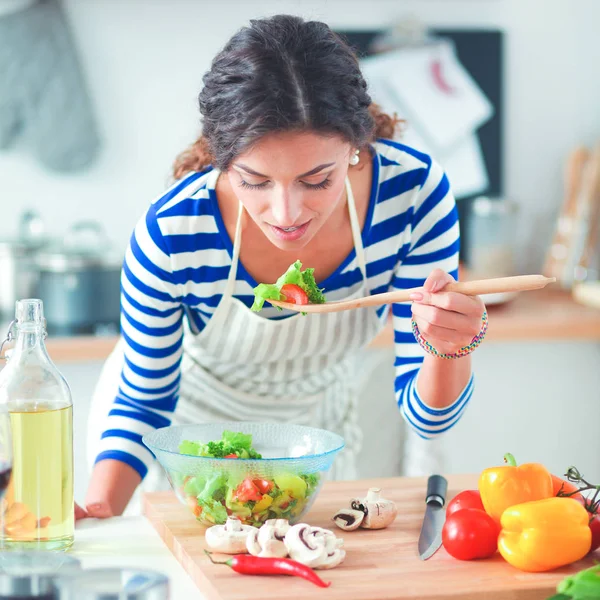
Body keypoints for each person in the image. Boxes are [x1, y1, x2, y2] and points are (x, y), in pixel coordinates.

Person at [78, 14, 486, 519]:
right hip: (186, 445)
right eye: (254, 181)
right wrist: (97, 512)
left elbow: (428, 419)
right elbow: (143, 403)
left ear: (356, 148)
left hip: (309, 444)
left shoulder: (414, 196)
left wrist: (449, 348)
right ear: (222, 159)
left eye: (317, 180)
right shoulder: (173, 233)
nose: (287, 215)